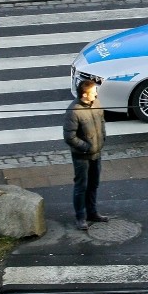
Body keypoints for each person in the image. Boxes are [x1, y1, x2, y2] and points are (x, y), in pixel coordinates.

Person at [63, 80, 108, 230]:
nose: (96, 93)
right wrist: (86, 147)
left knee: (94, 184)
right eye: (93, 91)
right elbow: (69, 137)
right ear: (84, 94)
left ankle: (92, 212)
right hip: (82, 156)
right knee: (81, 186)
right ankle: (80, 217)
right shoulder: (74, 111)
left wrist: (101, 140)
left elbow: (102, 122)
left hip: (96, 153)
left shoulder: (96, 103)